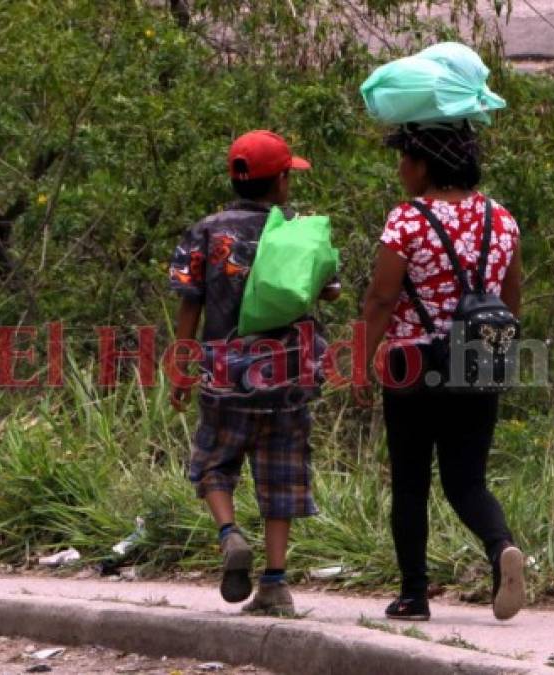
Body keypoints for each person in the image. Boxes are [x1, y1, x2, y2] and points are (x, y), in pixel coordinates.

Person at [354, 121, 525, 621]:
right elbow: (511, 299)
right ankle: (501, 548)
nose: (401, 169)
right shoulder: (502, 219)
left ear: (425, 165)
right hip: (482, 353)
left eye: (405, 158)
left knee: (410, 481)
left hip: (414, 360)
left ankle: (413, 595)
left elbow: (382, 297)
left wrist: (361, 360)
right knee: (467, 480)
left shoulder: (407, 220)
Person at [168, 130, 340, 616]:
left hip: (226, 370)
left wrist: (181, 365)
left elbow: (190, 305)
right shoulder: (297, 232)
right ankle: (275, 583)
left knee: (213, 462)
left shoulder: (204, 230)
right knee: (281, 474)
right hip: (288, 372)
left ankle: (229, 533)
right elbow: (330, 291)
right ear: (282, 180)